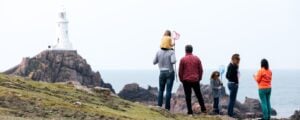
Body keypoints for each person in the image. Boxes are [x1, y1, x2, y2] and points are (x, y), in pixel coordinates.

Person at [179, 45, 207, 115]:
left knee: (188, 96)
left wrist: (181, 79)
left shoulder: (183, 59)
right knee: (199, 95)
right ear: (192, 50)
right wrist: (199, 78)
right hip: (195, 80)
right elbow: (201, 70)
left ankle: (190, 112)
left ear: (185, 50)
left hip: (186, 80)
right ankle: (203, 109)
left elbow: (180, 71)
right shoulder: (197, 59)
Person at [153, 46, 176, 110]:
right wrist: (173, 53)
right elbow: (173, 61)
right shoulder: (171, 52)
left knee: (161, 90)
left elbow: (154, 62)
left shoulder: (158, 52)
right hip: (170, 72)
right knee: (168, 91)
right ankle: (167, 108)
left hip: (161, 72)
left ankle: (159, 106)